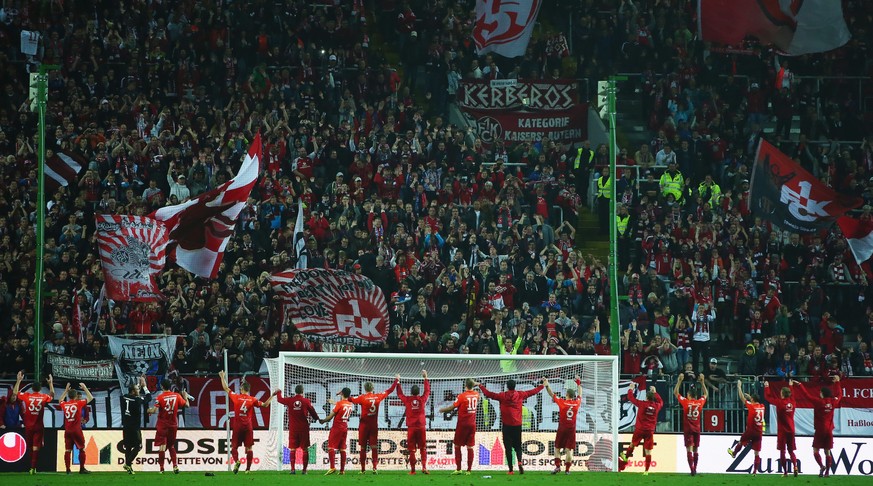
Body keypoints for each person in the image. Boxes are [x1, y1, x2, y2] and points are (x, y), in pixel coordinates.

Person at [476, 377, 545, 474]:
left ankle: (511, 470)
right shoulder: (520, 394)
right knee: (518, 446)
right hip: (517, 426)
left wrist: (480, 385)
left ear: (507, 387)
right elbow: (533, 392)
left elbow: (488, 394)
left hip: (507, 426)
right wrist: (543, 385)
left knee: (508, 447)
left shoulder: (502, 396)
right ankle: (520, 462)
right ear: (514, 386)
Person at [219, 370, 275, 474]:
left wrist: (222, 377)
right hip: (248, 426)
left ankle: (237, 461)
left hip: (237, 426)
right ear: (248, 390)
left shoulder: (236, 396)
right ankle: (248, 470)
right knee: (249, 448)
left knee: (234, 447)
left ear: (242, 389)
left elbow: (226, 388)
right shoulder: (253, 399)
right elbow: (265, 405)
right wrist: (272, 396)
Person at [349, 375, 399, 474]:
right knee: (374, 447)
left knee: (363, 447)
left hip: (363, 426)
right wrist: (396, 380)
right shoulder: (378, 396)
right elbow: (390, 390)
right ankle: (375, 468)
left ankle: (363, 470)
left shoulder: (361, 398)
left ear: (365, 388)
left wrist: (343, 394)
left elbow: (350, 399)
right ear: (373, 388)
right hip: (373, 426)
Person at [793, 376, 842, 477]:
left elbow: (807, 395)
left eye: (820, 392)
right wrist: (837, 382)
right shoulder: (833, 401)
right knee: (827, 451)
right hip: (829, 430)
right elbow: (839, 395)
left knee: (816, 450)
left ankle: (821, 466)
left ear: (823, 394)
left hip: (820, 430)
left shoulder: (818, 402)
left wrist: (800, 385)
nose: (819, 394)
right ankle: (828, 472)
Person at [12, 371, 55, 474]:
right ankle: (33, 468)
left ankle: (31, 467)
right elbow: (52, 395)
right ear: (40, 389)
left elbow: (15, 394)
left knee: (30, 447)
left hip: (28, 426)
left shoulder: (27, 396)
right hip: (39, 426)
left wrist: (18, 381)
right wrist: (50, 383)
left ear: (32, 389)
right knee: (36, 447)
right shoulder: (43, 396)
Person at [147, 379, 192, 474]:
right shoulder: (177, 396)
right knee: (171, 446)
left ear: (162, 386)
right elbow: (187, 405)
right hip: (173, 425)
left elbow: (154, 410)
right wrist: (186, 397)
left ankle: (162, 469)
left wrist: (148, 410)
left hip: (163, 425)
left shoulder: (160, 397)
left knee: (162, 447)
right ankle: (175, 466)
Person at [619, 382, 663, 475]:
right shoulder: (656, 406)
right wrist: (655, 392)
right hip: (649, 431)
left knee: (632, 444)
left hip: (640, 429)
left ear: (646, 397)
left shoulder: (642, 404)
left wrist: (630, 389)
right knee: (648, 451)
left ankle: (626, 457)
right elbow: (661, 402)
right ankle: (646, 471)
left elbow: (631, 398)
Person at [275, 384, 321, 474]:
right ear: (302, 392)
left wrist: (279, 392)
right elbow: (312, 411)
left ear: (295, 391)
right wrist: (317, 419)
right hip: (304, 428)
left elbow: (279, 399)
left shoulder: (290, 400)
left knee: (292, 449)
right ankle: (304, 470)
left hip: (293, 428)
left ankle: (292, 469)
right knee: (305, 449)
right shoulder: (306, 401)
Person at [438, 378, 480, 475]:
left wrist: (442, 410)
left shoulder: (461, 396)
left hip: (462, 424)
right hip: (472, 424)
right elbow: (476, 390)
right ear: (473, 385)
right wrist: (475, 384)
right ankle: (469, 470)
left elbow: (452, 407)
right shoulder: (476, 395)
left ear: (465, 385)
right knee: (470, 447)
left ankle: (458, 469)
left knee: (457, 445)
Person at [543, 376, 581, 475]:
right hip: (571, 430)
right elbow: (580, 393)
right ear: (573, 396)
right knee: (569, 450)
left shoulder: (562, 402)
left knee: (557, 448)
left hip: (562, 429)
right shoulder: (577, 403)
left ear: (567, 394)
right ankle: (567, 470)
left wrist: (547, 385)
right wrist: (578, 383)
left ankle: (557, 467)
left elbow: (552, 394)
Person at [727, 380, 765, 475]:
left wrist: (739, 387)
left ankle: (734, 453)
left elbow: (742, 398)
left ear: (752, 399)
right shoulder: (762, 406)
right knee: (756, 453)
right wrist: (750, 398)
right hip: (759, 432)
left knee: (741, 441)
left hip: (750, 431)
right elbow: (754, 402)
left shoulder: (751, 406)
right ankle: (755, 471)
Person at [396, 370, 430, 475]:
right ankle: (424, 467)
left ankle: (413, 470)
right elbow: (427, 391)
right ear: (418, 392)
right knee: (423, 448)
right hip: (421, 426)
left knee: (412, 450)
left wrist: (398, 382)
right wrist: (425, 378)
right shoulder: (422, 399)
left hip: (411, 427)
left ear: (411, 392)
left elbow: (400, 394)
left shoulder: (407, 399)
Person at [673, 372, 708, 475]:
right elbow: (705, 394)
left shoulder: (686, 402)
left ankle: (692, 469)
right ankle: (695, 468)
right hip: (697, 429)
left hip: (688, 429)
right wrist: (702, 383)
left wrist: (679, 381)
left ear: (688, 395)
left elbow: (676, 393)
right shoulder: (699, 402)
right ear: (696, 396)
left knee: (689, 449)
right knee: (696, 449)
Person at [763, 380, 798, 477]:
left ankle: (786, 472)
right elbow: (793, 395)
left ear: (782, 394)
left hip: (782, 430)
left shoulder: (779, 402)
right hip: (791, 429)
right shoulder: (793, 402)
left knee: (782, 451)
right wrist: (791, 385)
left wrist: (766, 387)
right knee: (791, 451)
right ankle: (795, 466)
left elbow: (768, 397)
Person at [58, 382, 94, 474]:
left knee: (68, 450)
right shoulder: (78, 403)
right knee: (81, 448)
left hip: (68, 430)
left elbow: (60, 400)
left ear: (69, 396)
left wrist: (65, 390)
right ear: (76, 396)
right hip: (77, 430)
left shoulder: (65, 404)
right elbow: (91, 398)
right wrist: (85, 388)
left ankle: (68, 470)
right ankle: (82, 469)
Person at [120, 376, 151, 474]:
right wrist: (145, 386)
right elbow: (148, 397)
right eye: (137, 389)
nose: (139, 390)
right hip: (134, 427)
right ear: (133, 391)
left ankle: (129, 468)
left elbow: (134, 393)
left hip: (126, 426)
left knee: (128, 447)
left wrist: (139, 384)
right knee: (138, 446)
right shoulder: (137, 400)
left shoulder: (124, 397)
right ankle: (128, 464)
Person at [320, 387, 354, 475]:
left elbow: (330, 417)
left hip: (337, 427)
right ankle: (342, 470)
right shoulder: (350, 404)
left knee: (331, 447)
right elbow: (342, 404)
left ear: (342, 394)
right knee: (342, 448)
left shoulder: (339, 404)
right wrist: (334, 402)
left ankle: (332, 467)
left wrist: (323, 421)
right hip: (345, 427)